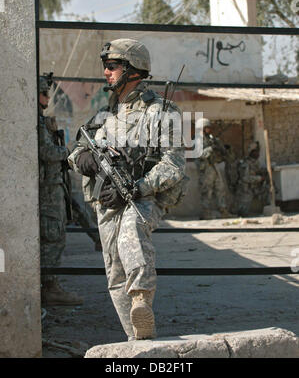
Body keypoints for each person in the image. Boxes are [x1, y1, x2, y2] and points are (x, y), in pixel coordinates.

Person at [68, 38, 186, 341]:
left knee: (131, 231)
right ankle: (137, 337)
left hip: (141, 197)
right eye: (105, 67)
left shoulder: (162, 110)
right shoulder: (106, 113)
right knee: (114, 271)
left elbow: (173, 166)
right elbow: (76, 149)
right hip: (106, 200)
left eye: (112, 66)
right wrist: (85, 159)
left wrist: (136, 187)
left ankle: (141, 298)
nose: (106, 73)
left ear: (132, 69)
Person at [39, 75, 83, 306]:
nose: (48, 97)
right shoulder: (36, 122)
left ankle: (50, 284)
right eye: (45, 93)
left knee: (56, 232)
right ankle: (50, 287)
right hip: (47, 188)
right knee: (53, 236)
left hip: (53, 184)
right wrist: (68, 152)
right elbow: (47, 153)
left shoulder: (41, 121)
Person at [195, 118, 233, 219]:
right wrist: (211, 149)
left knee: (220, 188)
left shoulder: (210, 139)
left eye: (209, 128)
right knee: (207, 191)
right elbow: (200, 154)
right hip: (206, 168)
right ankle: (206, 213)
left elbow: (219, 150)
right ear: (202, 128)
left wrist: (219, 147)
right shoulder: (197, 140)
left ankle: (223, 211)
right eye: (206, 128)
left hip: (214, 166)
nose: (209, 130)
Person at [234, 141, 270, 216]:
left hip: (254, 187)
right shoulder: (246, 164)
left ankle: (267, 209)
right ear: (251, 153)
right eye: (255, 152)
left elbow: (257, 171)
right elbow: (245, 178)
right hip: (246, 189)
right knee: (243, 212)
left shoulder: (255, 162)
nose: (258, 154)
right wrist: (259, 178)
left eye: (258, 152)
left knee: (268, 188)